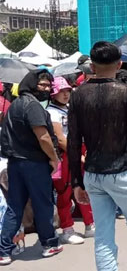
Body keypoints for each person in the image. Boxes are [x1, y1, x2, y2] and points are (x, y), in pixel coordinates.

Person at [67, 42, 127, 270]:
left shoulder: (79, 95)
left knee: (103, 238)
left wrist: (76, 181)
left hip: (93, 173)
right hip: (124, 172)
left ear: (91, 66)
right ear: (119, 64)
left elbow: (74, 142)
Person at [0, 70, 62, 265]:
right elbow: (43, 137)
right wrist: (54, 158)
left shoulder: (15, 105)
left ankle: (3, 250)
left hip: (15, 163)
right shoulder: (32, 106)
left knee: (14, 206)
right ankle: (49, 243)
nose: (46, 89)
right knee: (42, 204)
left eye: (48, 86)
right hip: (34, 163)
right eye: (42, 85)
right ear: (31, 84)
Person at [47, 77, 94, 245]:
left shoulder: (68, 109)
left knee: (84, 187)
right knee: (65, 192)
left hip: (76, 150)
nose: (65, 94)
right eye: (61, 91)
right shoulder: (52, 112)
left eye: (67, 91)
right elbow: (60, 139)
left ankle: (90, 224)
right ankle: (67, 229)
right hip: (65, 155)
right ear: (54, 94)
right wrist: (77, 155)